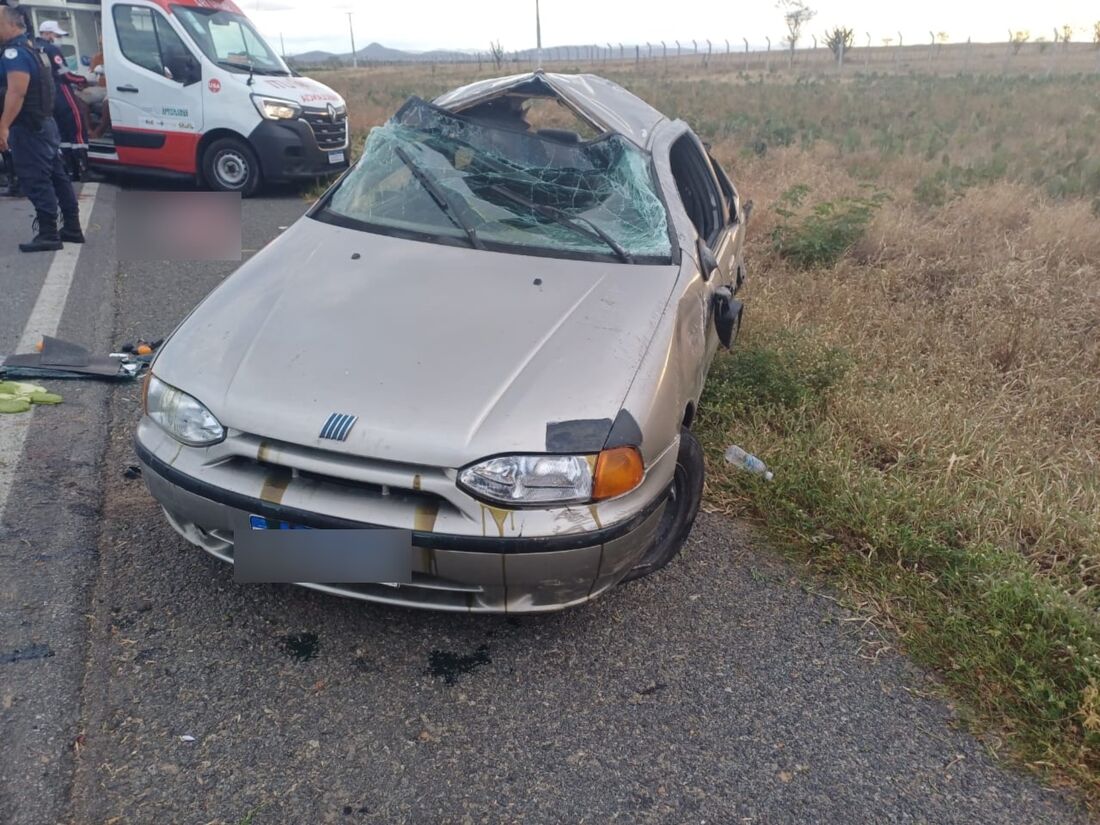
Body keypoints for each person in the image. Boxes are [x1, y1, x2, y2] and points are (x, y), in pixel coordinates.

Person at [0, 7, 83, 252]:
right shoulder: (34, 49)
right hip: (44, 123)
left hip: (28, 126)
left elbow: (17, 91)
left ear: (11, 25)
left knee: (36, 178)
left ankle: (48, 233)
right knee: (57, 176)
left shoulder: (14, 53)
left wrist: (3, 125)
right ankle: (72, 227)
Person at [35, 20, 89, 180]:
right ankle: (83, 167)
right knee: (77, 125)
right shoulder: (52, 50)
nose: (59, 38)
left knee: (62, 132)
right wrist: (82, 80)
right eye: (57, 35)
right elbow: (65, 74)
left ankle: (70, 168)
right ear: (47, 34)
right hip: (61, 91)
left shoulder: (33, 48)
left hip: (46, 95)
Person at [0, 0, 29, 196]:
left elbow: (16, 90)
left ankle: (16, 181)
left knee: (7, 142)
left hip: (6, 99)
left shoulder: (14, 50)